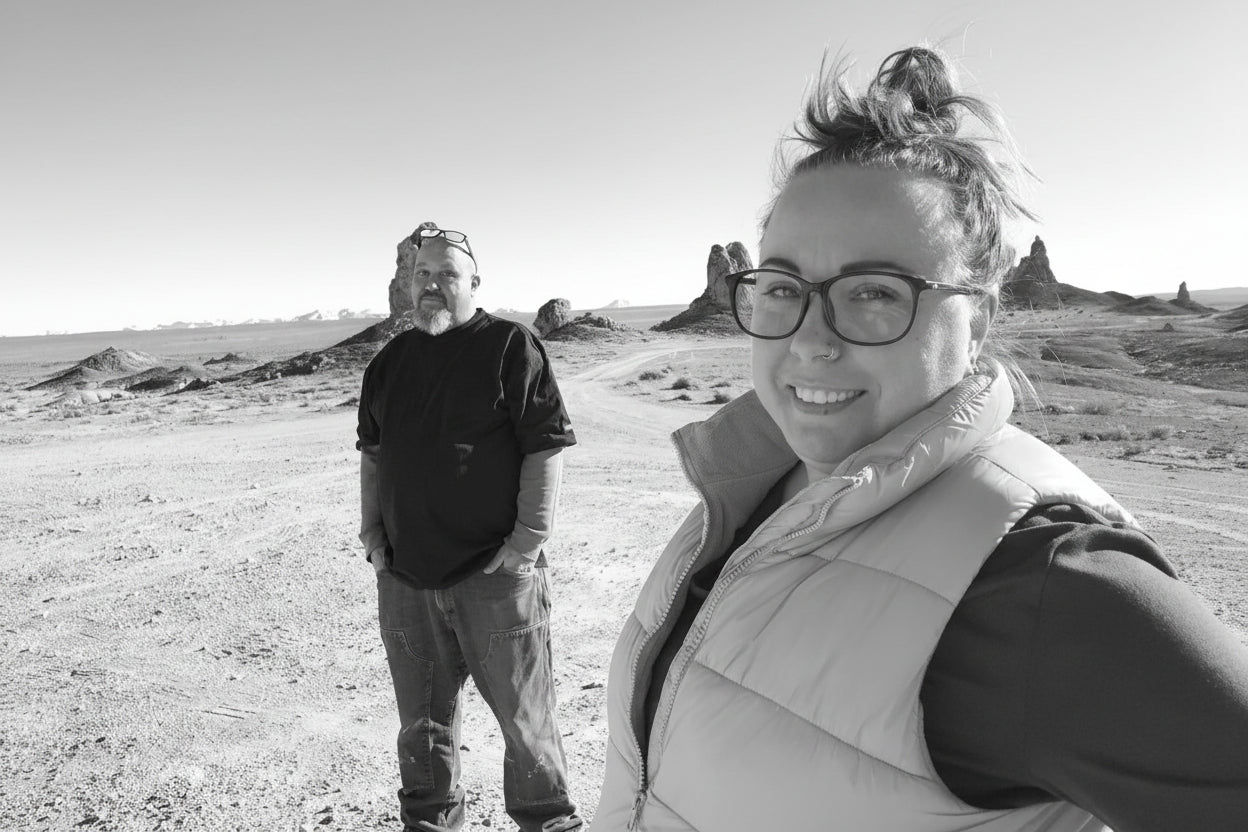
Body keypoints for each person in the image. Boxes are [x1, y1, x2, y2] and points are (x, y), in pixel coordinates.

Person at [593, 47, 1248, 831]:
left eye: (875, 293)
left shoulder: (1045, 579)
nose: (810, 340)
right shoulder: (752, 484)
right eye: (781, 288)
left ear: (980, 320)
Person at [357, 225, 582, 832]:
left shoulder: (511, 346)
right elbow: (374, 455)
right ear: (408, 284)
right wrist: (373, 537)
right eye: (422, 275)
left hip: (496, 579)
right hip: (406, 580)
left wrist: (526, 544)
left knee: (525, 722)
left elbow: (546, 446)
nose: (432, 285)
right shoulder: (388, 363)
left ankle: (547, 822)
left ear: (473, 284)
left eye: (446, 275)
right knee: (422, 728)